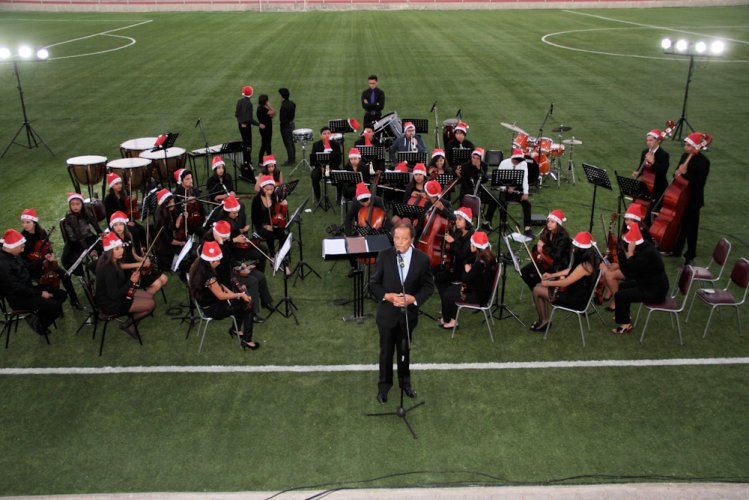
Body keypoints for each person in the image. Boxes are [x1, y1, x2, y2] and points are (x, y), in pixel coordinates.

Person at [369, 222, 435, 404]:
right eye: (396, 238)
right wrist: (387, 296)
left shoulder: (422, 259)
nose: (399, 242)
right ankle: (384, 387)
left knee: (405, 351)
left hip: (408, 316)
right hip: (387, 315)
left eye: (404, 239)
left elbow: (429, 286)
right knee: (386, 352)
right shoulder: (384, 256)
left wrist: (413, 299)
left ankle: (405, 384)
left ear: (412, 240)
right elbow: (373, 283)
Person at [188, 241, 259, 350]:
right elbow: (221, 295)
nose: (219, 261)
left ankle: (235, 330)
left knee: (241, 302)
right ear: (211, 260)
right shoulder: (209, 276)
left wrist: (234, 294)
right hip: (213, 308)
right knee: (247, 305)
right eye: (217, 259)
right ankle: (246, 340)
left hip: (209, 302)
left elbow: (219, 285)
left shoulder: (200, 265)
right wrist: (238, 294)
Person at [201, 220, 271, 324]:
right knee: (253, 281)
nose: (226, 239)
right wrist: (221, 243)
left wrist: (240, 266)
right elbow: (223, 262)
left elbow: (229, 256)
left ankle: (267, 301)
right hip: (224, 277)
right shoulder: (211, 246)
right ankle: (253, 314)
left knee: (260, 276)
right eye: (224, 237)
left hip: (231, 269)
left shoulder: (222, 241)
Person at [531, 231, 601, 332]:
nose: (573, 249)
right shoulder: (589, 259)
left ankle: (543, 322)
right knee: (538, 286)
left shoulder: (584, 266)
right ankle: (545, 320)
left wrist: (549, 283)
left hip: (574, 299)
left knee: (537, 290)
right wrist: (552, 275)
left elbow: (565, 282)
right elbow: (571, 270)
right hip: (576, 292)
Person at [0, 228, 64, 336]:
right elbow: (17, 287)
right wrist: (40, 293)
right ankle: (38, 325)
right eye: (21, 247)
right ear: (11, 247)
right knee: (56, 308)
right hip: (19, 298)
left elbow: (28, 267)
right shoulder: (3, 265)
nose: (23, 249)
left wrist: (43, 259)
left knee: (61, 295)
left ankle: (38, 315)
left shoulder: (15, 255)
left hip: (28, 290)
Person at [95, 232, 156, 339]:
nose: (121, 251)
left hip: (115, 295)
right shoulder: (108, 269)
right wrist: (131, 282)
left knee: (149, 297)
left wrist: (131, 280)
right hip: (111, 303)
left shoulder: (110, 260)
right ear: (109, 251)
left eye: (121, 247)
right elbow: (114, 295)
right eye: (117, 249)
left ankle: (131, 322)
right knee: (151, 305)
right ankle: (128, 325)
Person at [664, 131, 711, 267]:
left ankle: (690, 255)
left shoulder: (704, 162)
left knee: (691, 228)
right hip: (680, 196)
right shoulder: (685, 156)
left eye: (687, 144)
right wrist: (677, 173)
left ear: (694, 146)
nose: (684, 145)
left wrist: (686, 174)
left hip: (693, 200)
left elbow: (699, 182)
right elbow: (676, 174)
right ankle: (676, 249)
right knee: (680, 225)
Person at [612, 224, 669, 335]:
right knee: (622, 286)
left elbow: (630, 272)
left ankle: (625, 325)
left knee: (620, 295)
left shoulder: (646, 254)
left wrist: (629, 255)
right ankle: (624, 315)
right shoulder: (645, 247)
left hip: (655, 291)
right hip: (649, 283)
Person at [20, 208, 81, 309]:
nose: (25, 225)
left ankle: (74, 299)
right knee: (50, 278)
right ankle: (56, 304)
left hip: (47, 262)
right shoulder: (22, 239)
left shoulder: (42, 232)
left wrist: (51, 255)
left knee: (64, 275)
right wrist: (40, 260)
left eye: (28, 222)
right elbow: (24, 260)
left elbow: (48, 247)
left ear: (34, 222)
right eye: (23, 222)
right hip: (34, 267)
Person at [437, 231, 497, 330]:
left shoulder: (480, 263)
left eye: (471, 243)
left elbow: (465, 278)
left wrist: (467, 269)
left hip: (478, 296)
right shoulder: (488, 256)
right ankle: (449, 318)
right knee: (450, 290)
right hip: (479, 290)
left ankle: (450, 321)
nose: (470, 245)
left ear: (476, 246)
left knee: (447, 295)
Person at [599, 203, 651, 311]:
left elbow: (638, 257)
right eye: (626, 219)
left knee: (609, 275)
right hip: (626, 263)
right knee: (603, 266)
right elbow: (621, 248)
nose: (628, 222)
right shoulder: (626, 229)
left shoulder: (643, 234)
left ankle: (617, 300)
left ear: (637, 220)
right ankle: (610, 291)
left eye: (631, 220)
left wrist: (618, 265)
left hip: (636, 267)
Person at [109, 211, 168, 297]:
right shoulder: (113, 242)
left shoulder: (129, 235)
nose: (118, 227)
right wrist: (140, 264)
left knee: (164, 279)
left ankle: (143, 298)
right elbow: (119, 265)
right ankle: (142, 301)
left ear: (125, 224)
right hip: (126, 273)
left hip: (137, 267)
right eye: (115, 225)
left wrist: (143, 260)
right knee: (157, 284)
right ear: (112, 226)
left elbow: (133, 253)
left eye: (120, 224)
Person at [485, 148, 533, 238]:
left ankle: (527, 228)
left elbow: (525, 179)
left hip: (517, 189)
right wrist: (506, 188)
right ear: (512, 159)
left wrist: (525, 193)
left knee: (527, 204)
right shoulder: (504, 163)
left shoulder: (523, 164)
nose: (518, 163)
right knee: (502, 202)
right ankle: (504, 223)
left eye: (520, 161)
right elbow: (498, 180)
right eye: (516, 161)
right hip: (504, 189)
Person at [520, 210, 571, 291]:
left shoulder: (563, 237)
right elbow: (539, 248)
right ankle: (536, 291)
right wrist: (539, 254)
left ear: (558, 224)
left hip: (556, 265)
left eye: (552, 222)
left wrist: (544, 247)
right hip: (545, 261)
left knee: (535, 278)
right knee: (522, 272)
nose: (549, 224)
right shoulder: (548, 231)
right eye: (548, 221)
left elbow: (556, 257)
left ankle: (538, 292)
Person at [61, 192, 102, 275]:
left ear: (82, 204)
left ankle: (100, 264)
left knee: (103, 242)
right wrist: (87, 250)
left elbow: (93, 221)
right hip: (76, 242)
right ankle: (97, 268)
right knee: (100, 245)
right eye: (72, 204)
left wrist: (100, 232)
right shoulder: (71, 217)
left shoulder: (85, 210)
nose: (75, 206)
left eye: (77, 204)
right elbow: (78, 235)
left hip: (85, 237)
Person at [633, 128, 670, 216]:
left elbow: (662, 172)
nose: (648, 142)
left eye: (651, 140)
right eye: (647, 140)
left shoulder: (663, 155)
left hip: (658, 187)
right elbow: (641, 167)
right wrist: (638, 172)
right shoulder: (645, 152)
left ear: (657, 141)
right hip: (646, 184)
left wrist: (653, 162)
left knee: (652, 210)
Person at [102, 172, 146, 247]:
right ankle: (137, 250)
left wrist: (131, 201)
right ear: (112, 186)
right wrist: (126, 222)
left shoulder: (122, 194)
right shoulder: (108, 199)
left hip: (125, 219)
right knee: (135, 231)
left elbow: (126, 209)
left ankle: (144, 248)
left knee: (141, 229)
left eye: (120, 183)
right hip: (115, 223)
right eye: (116, 184)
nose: (119, 185)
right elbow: (113, 215)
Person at [434, 206, 475, 286]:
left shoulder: (471, 236)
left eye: (460, 219)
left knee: (438, 278)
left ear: (466, 221)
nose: (457, 221)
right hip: (454, 265)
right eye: (457, 219)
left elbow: (461, 255)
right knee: (434, 269)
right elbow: (454, 239)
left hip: (461, 271)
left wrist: (452, 242)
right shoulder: (460, 231)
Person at [251, 175, 288, 262]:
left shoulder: (274, 196)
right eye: (267, 189)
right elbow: (254, 219)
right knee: (269, 235)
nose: (269, 192)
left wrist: (282, 204)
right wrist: (265, 226)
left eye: (271, 189)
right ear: (262, 188)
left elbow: (278, 210)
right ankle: (272, 255)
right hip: (261, 226)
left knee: (284, 234)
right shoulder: (256, 200)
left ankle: (281, 254)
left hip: (273, 223)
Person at [153, 188, 186, 272]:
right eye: (170, 202)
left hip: (171, 242)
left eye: (173, 201)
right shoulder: (161, 219)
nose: (173, 204)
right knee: (185, 251)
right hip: (165, 247)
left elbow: (174, 227)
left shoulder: (169, 212)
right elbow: (169, 241)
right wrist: (181, 243)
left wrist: (179, 220)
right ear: (164, 204)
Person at [310, 126, 342, 205]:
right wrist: (321, 168)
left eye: (328, 133)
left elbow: (338, 161)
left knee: (341, 176)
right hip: (320, 168)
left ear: (331, 135)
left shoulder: (335, 145)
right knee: (314, 176)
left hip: (332, 168)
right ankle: (318, 198)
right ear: (321, 136)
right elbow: (314, 161)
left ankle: (339, 198)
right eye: (324, 134)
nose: (327, 135)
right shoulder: (316, 145)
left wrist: (331, 168)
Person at [172, 169, 206, 239]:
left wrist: (205, 215)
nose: (190, 181)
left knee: (209, 226)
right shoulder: (177, 194)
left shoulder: (195, 190)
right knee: (203, 232)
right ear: (182, 181)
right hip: (186, 222)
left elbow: (201, 205)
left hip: (198, 217)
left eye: (191, 178)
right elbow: (176, 211)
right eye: (187, 179)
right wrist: (186, 203)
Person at [235, 85, 259, 167]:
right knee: (248, 144)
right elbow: (249, 119)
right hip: (246, 126)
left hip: (240, 125)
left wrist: (241, 122)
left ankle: (246, 160)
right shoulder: (249, 104)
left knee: (245, 143)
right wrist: (258, 124)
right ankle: (247, 161)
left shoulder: (239, 101)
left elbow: (237, 114)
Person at [278, 88, 296, 166]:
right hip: (291, 124)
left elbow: (282, 120)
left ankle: (290, 160)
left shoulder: (283, 106)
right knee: (291, 142)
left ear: (282, 96)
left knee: (288, 143)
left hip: (286, 127)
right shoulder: (292, 103)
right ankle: (293, 158)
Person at [256, 94, 275, 165]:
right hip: (266, 129)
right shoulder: (263, 109)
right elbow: (273, 112)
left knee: (267, 144)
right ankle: (261, 161)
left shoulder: (261, 108)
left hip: (266, 129)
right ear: (265, 101)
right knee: (264, 145)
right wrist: (269, 105)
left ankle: (269, 159)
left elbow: (272, 115)